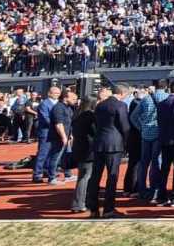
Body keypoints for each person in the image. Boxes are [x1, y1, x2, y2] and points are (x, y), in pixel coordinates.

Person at [86, 84, 130, 218]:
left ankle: (93, 209)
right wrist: (126, 144)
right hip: (114, 145)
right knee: (112, 177)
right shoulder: (121, 106)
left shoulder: (100, 105)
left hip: (99, 143)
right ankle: (108, 209)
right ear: (122, 93)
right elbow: (125, 127)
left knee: (95, 177)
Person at [129, 80, 168, 203]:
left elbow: (133, 116)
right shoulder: (166, 98)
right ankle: (154, 190)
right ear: (166, 86)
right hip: (159, 133)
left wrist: (141, 127)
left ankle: (141, 190)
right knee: (156, 163)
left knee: (144, 163)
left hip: (146, 134)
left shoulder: (146, 99)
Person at [70, 97, 96, 213]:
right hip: (88, 149)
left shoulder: (77, 114)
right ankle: (79, 204)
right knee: (85, 177)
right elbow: (95, 132)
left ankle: (80, 202)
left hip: (79, 147)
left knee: (83, 176)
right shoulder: (90, 116)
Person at [46, 90, 77, 185]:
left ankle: (68, 175)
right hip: (58, 137)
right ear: (65, 98)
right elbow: (59, 124)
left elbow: (68, 122)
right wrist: (63, 137)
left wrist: (70, 135)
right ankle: (51, 178)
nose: (75, 100)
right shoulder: (58, 108)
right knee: (56, 157)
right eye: (73, 98)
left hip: (66, 135)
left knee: (65, 156)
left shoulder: (68, 107)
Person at [32, 85, 62, 183]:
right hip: (46, 132)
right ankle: (37, 174)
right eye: (55, 93)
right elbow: (45, 118)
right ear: (49, 93)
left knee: (52, 154)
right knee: (43, 153)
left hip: (55, 132)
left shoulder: (59, 103)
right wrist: (58, 125)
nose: (57, 95)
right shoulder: (44, 104)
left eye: (58, 93)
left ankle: (48, 171)